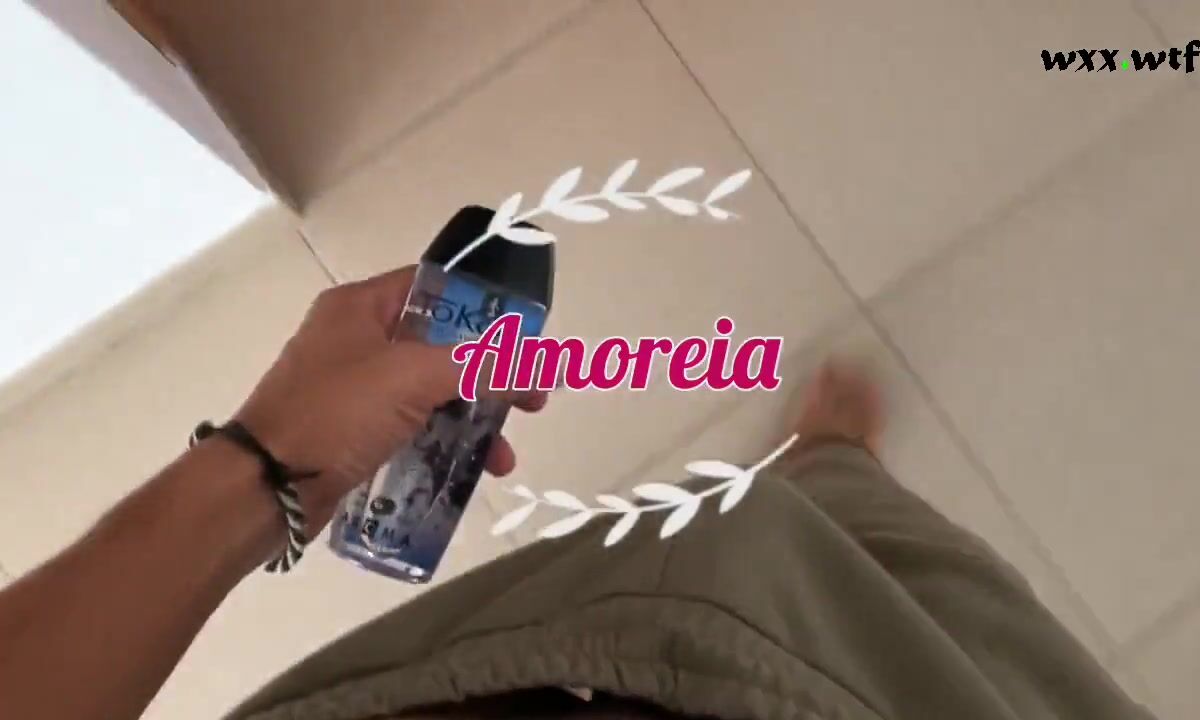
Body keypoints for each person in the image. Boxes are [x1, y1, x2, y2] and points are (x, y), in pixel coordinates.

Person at [0, 268, 1153, 720]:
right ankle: (835, 474)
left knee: (783, 555)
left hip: (582, 666)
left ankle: (830, 471)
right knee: (965, 627)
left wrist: (271, 460)